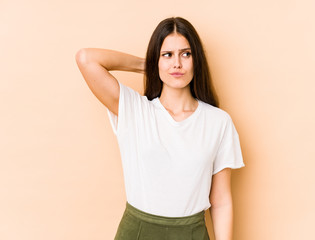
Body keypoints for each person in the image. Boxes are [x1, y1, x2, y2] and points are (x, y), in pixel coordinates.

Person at [75, 17, 244, 240]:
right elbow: (86, 58)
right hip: (137, 232)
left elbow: (221, 202)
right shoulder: (135, 110)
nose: (177, 64)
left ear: (197, 60)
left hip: (191, 233)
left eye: (186, 54)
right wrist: (149, 65)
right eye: (167, 55)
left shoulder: (218, 122)